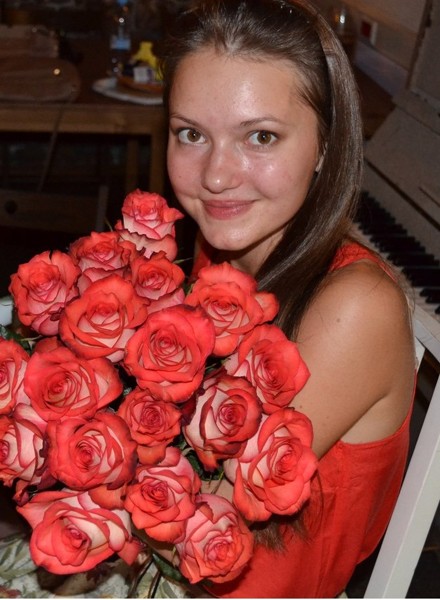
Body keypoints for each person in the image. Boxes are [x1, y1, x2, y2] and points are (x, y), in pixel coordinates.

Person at [156, 0, 416, 596]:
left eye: (261, 137)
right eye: (191, 134)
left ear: (325, 145)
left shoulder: (356, 308)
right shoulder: (221, 247)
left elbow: (196, 525)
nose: (216, 175)